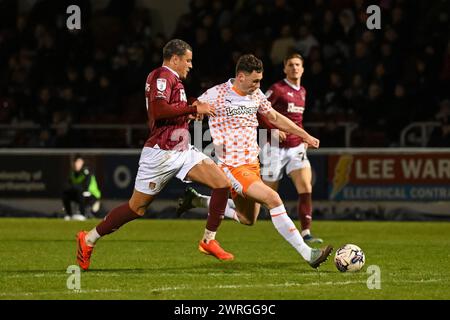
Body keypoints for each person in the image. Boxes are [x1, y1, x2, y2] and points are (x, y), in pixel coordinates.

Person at [76, 39, 234, 271]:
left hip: (182, 149)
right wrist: (192, 109)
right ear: (175, 59)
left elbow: (172, 111)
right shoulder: (162, 75)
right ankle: (88, 238)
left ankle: (208, 240)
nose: (190, 65)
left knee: (222, 184)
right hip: (160, 153)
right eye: (188, 61)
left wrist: (190, 111)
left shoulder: (174, 81)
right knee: (136, 208)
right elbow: (159, 111)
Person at [177, 54, 332, 268]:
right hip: (232, 167)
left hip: (252, 165)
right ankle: (309, 254)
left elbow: (275, 118)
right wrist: (194, 111)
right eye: (254, 81)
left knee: (248, 219)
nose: (258, 85)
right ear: (240, 77)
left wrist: (303, 134)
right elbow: (190, 106)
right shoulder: (217, 94)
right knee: (274, 198)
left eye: (259, 80)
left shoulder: (255, 94)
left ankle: (198, 201)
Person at [258, 53, 323, 243]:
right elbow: (259, 112)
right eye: (291, 65)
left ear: (302, 69)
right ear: (284, 68)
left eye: (297, 65)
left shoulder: (302, 91)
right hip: (274, 149)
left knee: (305, 188)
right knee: (265, 196)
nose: (294, 68)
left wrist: (303, 138)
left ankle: (306, 233)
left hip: (296, 148)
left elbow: (297, 120)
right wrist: (271, 132)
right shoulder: (277, 89)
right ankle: (230, 209)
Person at [62, 155, 101, 221]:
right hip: (79, 193)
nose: (76, 164)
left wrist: (74, 187)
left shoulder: (87, 172)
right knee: (65, 194)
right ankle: (69, 214)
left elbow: (85, 186)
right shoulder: (73, 173)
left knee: (80, 191)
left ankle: (82, 214)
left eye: (78, 162)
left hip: (92, 195)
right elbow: (68, 185)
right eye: (75, 162)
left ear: (82, 163)